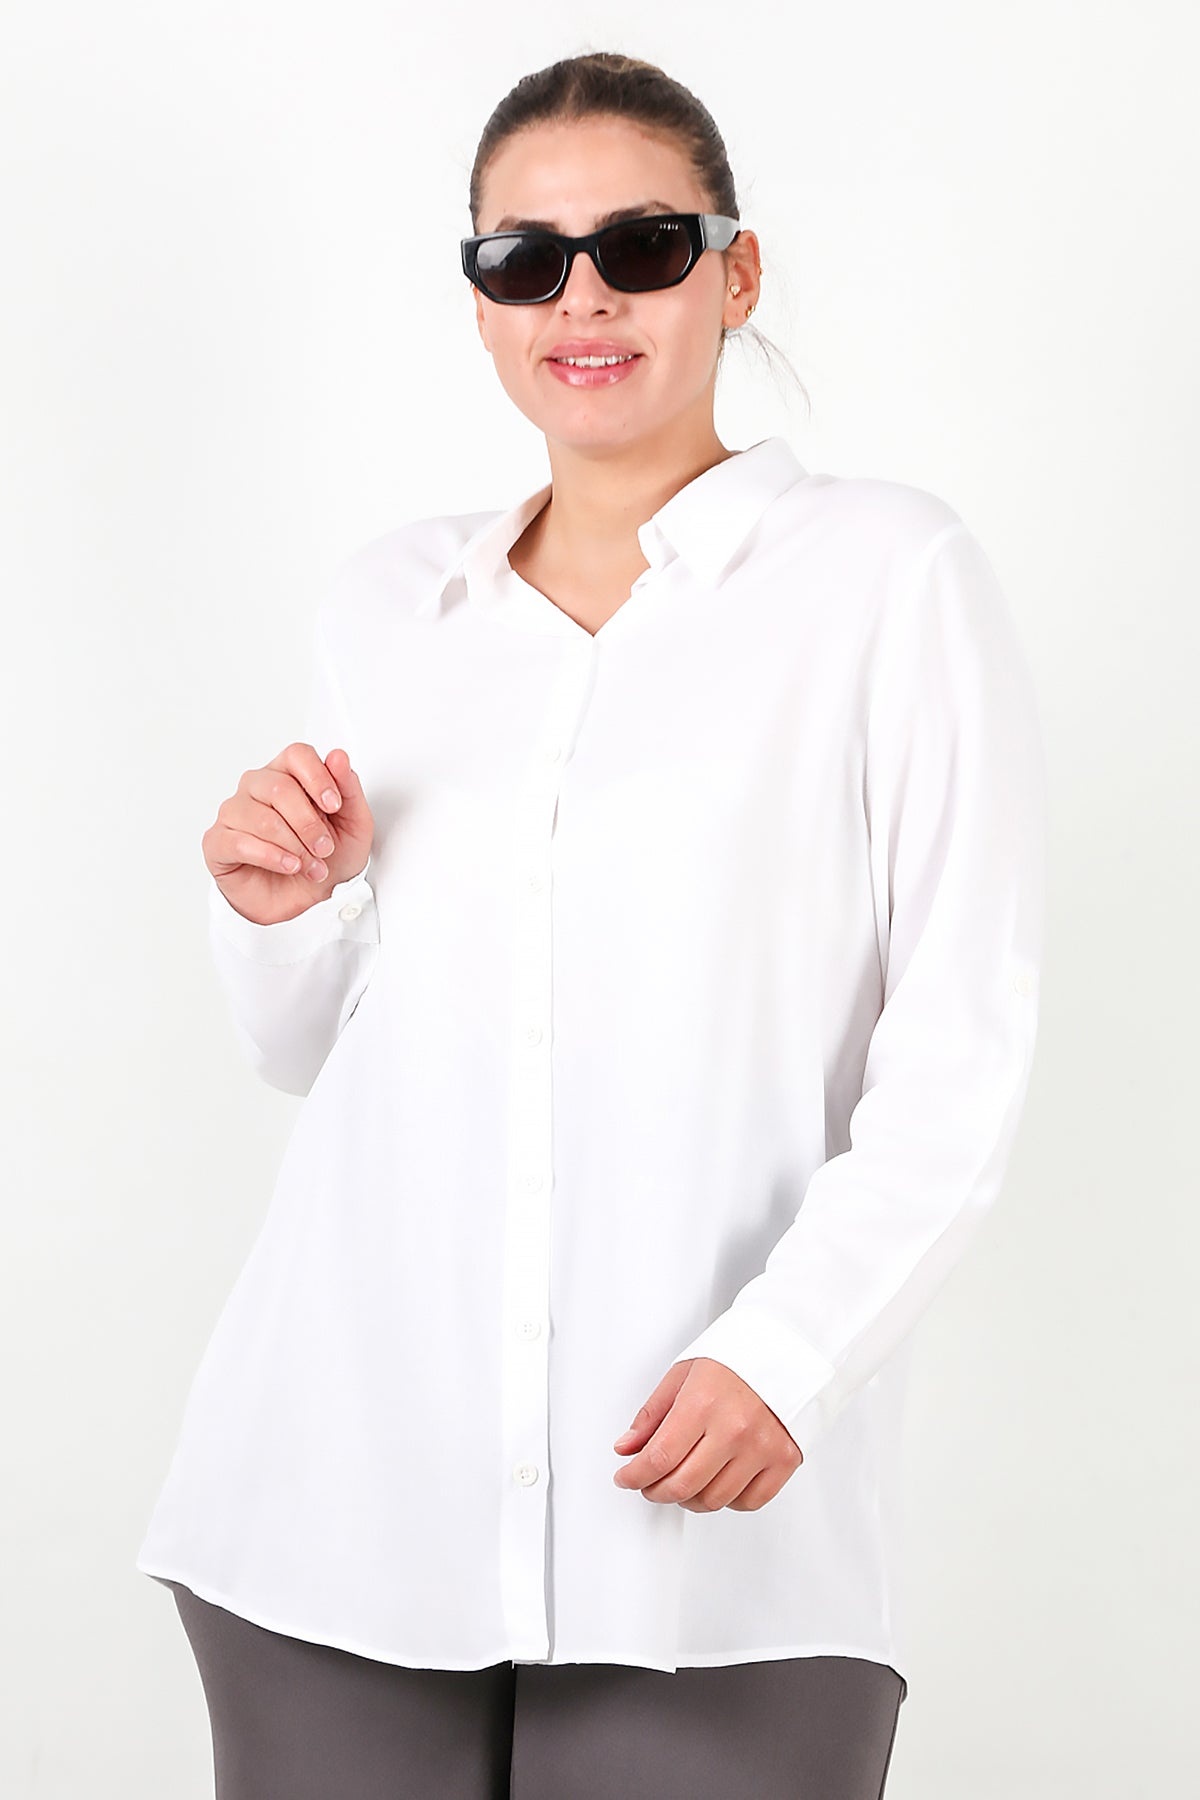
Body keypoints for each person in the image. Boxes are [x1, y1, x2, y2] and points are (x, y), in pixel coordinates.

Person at [135, 48, 1047, 1800]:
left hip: (707, 1513)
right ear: (479, 298)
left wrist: (791, 1355)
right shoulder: (391, 607)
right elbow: (316, 1053)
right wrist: (277, 915)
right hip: (336, 1487)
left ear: (735, 272)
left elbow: (960, 1053)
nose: (584, 298)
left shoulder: (887, 579)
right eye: (525, 259)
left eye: (641, 244)